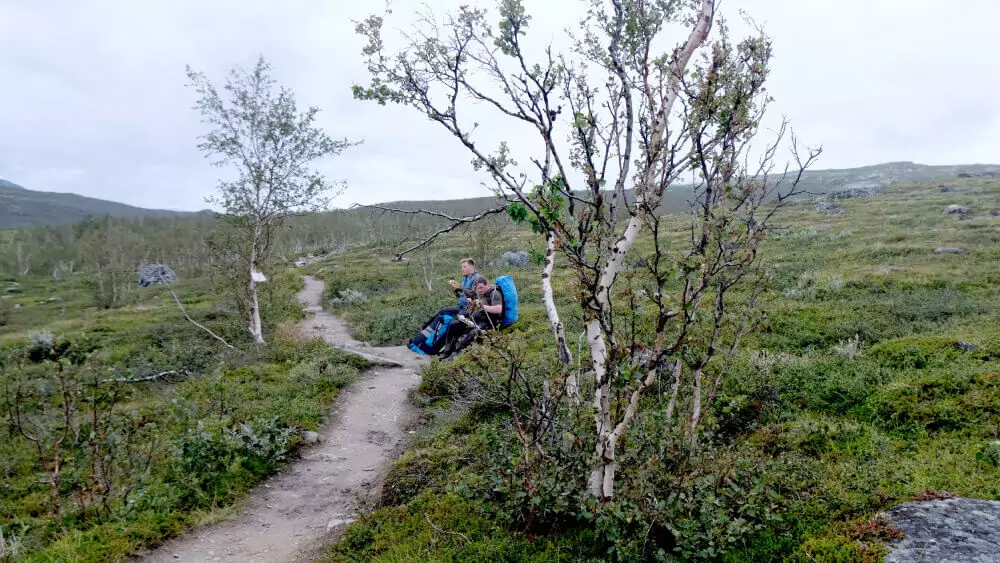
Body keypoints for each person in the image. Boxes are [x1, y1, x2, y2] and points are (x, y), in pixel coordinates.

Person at [438, 276, 503, 359]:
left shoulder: (494, 294)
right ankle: (447, 351)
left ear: (487, 285)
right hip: (476, 319)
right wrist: (472, 302)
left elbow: (498, 309)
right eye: (478, 288)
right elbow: (474, 298)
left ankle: (456, 355)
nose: (479, 290)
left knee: (473, 333)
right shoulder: (481, 293)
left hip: (488, 322)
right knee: (454, 324)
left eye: (481, 287)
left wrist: (482, 306)